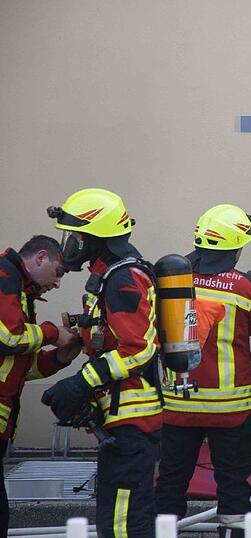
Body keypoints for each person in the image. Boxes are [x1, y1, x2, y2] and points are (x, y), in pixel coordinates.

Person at [42, 188, 163, 537]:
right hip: (121, 418)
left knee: (124, 524)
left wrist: (81, 383)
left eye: (77, 236)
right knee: (119, 517)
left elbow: (138, 349)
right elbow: (109, 340)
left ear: (97, 237)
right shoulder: (110, 274)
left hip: (133, 420)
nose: (71, 244)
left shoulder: (123, 278)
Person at [154, 204, 251, 538]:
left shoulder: (172, 280)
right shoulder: (240, 286)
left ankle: (165, 531)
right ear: (235, 248)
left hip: (179, 403)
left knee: (171, 480)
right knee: (234, 482)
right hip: (229, 408)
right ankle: (232, 531)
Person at [0, 235, 80, 537]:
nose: (58, 283)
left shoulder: (20, 289)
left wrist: (59, 358)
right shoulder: (4, 276)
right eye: (59, 273)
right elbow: (6, 338)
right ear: (41, 257)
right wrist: (51, 333)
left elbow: (20, 367)